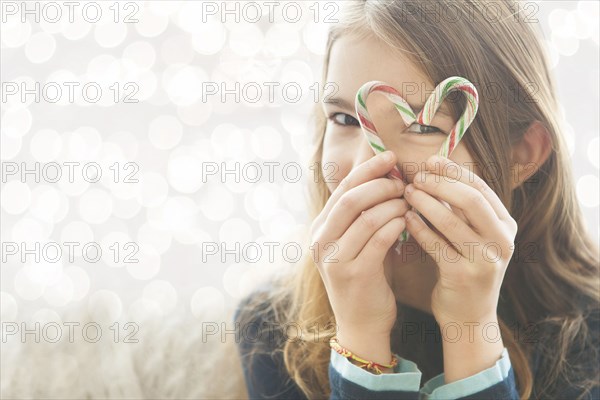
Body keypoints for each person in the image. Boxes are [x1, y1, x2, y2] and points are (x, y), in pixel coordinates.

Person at [233, 1, 600, 399]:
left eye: (423, 125)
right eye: (345, 120)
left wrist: (471, 331)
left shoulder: (588, 332)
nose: (364, 165)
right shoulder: (270, 329)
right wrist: (361, 337)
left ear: (522, 154)